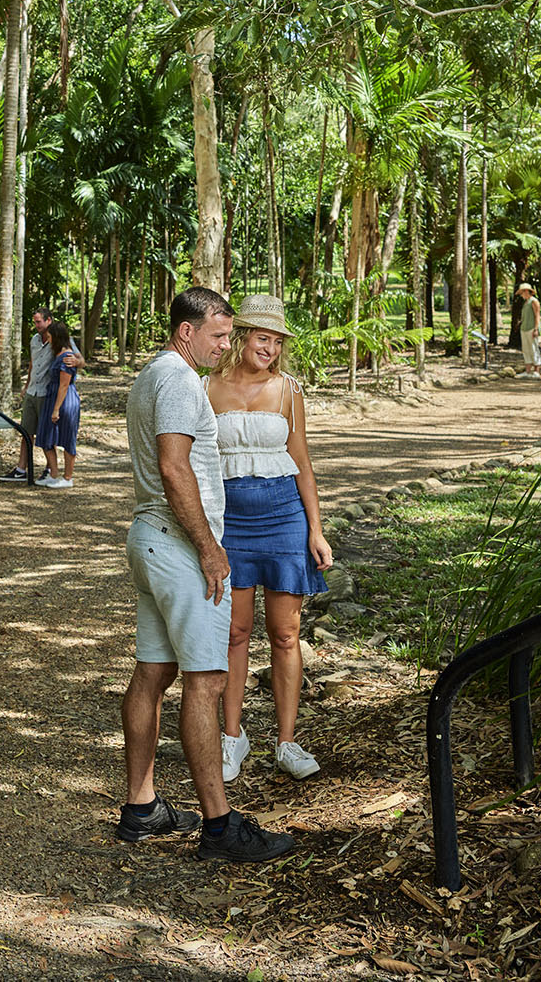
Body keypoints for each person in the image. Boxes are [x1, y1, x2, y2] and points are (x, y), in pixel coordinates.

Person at [117, 286, 297, 864]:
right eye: (219, 334)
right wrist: (210, 548)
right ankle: (220, 828)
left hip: (151, 540)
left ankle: (141, 808)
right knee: (206, 680)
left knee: (153, 670)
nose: (226, 345)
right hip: (177, 546)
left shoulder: (154, 373)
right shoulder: (175, 378)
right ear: (186, 330)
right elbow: (174, 467)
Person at [205, 294, 332, 785]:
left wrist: (316, 531)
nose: (272, 349)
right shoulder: (207, 387)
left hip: (284, 519)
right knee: (234, 633)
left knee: (285, 634)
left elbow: (302, 461)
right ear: (241, 337)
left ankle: (286, 741)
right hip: (230, 523)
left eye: (278, 342)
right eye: (264, 338)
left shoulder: (288, 390)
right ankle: (231, 737)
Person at [2, 308, 84, 482]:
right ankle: (21, 469)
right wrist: (26, 385)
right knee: (26, 431)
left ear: (49, 320)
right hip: (33, 390)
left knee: (47, 433)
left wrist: (77, 362)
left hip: (48, 393)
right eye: (35, 322)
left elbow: (79, 360)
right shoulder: (34, 340)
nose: (36, 325)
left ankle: (50, 470)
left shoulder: (62, 340)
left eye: (39, 321)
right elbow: (33, 363)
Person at [36, 320, 81, 489]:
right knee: (45, 436)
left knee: (67, 437)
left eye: (50, 337)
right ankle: (54, 474)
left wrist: (56, 409)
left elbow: (64, 384)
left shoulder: (67, 357)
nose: (48, 340)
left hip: (64, 400)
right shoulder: (57, 354)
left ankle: (68, 477)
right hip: (52, 397)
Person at [518, 282, 541, 377]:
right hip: (524, 328)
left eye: (522, 292)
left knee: (533, 348)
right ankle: (527, 371)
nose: (521, 295)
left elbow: (537, 316)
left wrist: (536, 329)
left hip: (531, 328)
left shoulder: (534, 301)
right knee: (526, 349)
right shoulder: (526, 302)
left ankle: (536, 371)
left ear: (526, 291)